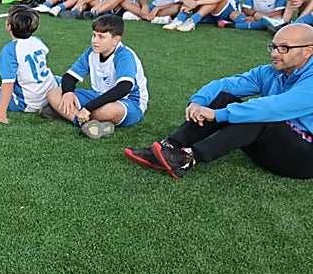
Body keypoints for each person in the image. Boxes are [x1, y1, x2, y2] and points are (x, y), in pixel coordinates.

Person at [124, 23, 313, 179]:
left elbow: (274, 107)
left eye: (284, 48)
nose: (274, 53)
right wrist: (197, 103)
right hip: (276, 147)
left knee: (259, 115)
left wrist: (216, 115)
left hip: (303, 161)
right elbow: (224, 86)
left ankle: (188, 158)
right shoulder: (271, 71)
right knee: (224, 98)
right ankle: (170, 147)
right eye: (274, 46)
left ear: (308, 51)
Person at [40, 13, 148, 139]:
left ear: (116, 40)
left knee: (106, 111)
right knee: (53, 94)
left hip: (129, 102)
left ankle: (69, 113)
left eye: (101, 37)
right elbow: (69, 76)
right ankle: (87, 124)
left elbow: (124, 88)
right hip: (99, 96)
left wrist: (88, 108)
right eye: (94, 35)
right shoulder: (92, 52)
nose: (94, 40)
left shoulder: (124, 55)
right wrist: (68, 93)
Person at [0, 5, 55, 123]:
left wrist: (1, 112)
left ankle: (44, 106)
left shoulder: (10, 50)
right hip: (50, 89)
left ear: (8, 26)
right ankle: (54, 104)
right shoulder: (38, 41)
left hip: (27, 101)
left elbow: (8, 84)